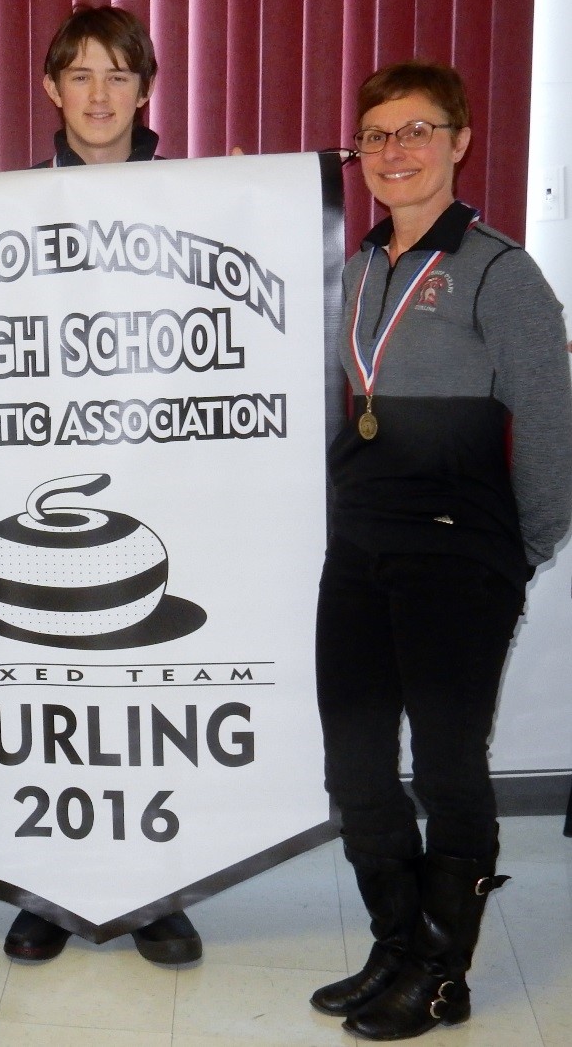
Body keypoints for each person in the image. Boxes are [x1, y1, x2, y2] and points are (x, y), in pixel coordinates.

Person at [312, 60, 572, 1040]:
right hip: (362, 548)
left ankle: (444, 971)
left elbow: (551, 428)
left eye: (417, 131)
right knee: (356, 763)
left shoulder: (503, 272)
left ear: (461, 141)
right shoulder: (358, 267)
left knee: (451, 766)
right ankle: (396, 942)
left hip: (461, 555)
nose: (396, 152)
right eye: (377, 135)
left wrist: (519, 550)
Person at [1, 4, 203, 969]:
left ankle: (159, 893)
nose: (97, 94)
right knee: (48, 685)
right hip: (44, 476)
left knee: (144, 686)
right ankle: (46, 891)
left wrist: (249, 198)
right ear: (50, 88)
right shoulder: (3, 202)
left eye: (117, 75)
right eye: (78, 74)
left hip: (157, 473)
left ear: (144, 89)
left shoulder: (192, 195)